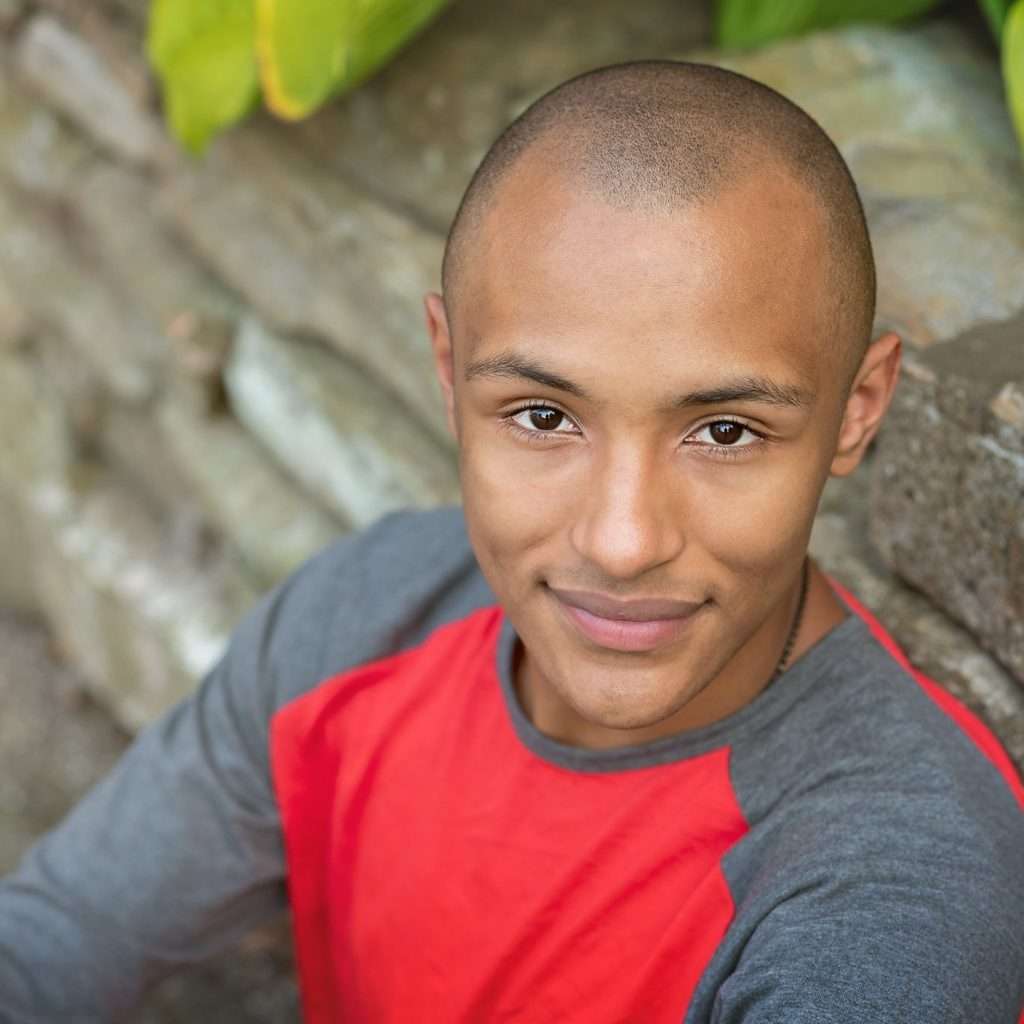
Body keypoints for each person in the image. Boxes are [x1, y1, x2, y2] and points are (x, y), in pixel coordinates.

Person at [1, 59, 1022, 1024]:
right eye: (542, 416)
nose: (622, 541)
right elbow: (53, 941)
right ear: (448, 370)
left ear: (857, 410)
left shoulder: (891, 894)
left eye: (723, 431)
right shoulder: (367, 617)